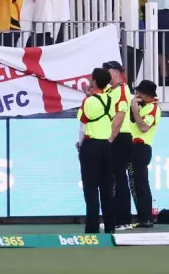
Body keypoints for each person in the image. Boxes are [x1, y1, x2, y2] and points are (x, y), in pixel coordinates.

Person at [76, 67, 116, 234]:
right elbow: (111, 119)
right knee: (107, 187)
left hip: (91, 145)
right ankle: (110, 226)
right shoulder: (109, 99)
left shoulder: (89, 102)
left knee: (90, 187)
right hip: (106, 146)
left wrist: (80, 143)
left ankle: (92, 228)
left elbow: (82, 125)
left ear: (94, 81)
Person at [101, 60, 135, 230]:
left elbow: (119, 118)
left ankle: (123, 219)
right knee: (113, 179)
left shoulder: (122, 89)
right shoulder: (111, 90)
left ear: (115, 71)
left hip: (119, 137)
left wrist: (110, 139)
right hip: (113, 136)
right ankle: (115, 218)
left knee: (120, 178)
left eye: (106, 70)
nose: (105, 73)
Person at [129, 80, 160, 228]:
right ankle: (142, 216)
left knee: (140, 183)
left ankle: (146, 217)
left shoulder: (153, 108)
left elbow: (143, 127)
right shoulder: (144, 106)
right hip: (134, 147)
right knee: (135, 183)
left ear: (146, 95)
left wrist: (135, 111)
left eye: (139, 93)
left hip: (141, 147)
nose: (136, 95)